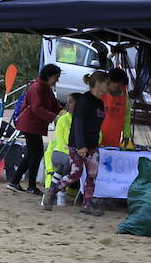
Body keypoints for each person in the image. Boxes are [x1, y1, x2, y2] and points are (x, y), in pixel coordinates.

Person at [43, 71, 108, 215]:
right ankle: (52, 191)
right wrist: (80, 145)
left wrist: (93, 144)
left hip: (92, 145)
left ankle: (87, 204)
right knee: (75, 173)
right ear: (98, 83)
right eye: (106, 83)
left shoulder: (100, 102)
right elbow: (78, 123)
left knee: (92, 174)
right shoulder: (84, 101)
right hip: (78, 144)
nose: (108, 86)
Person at [6, 63, 62, 196]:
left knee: (33, 154)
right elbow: (37, 108)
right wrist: (54, 117)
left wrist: (63, 109)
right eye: (56, 77)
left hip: (35, 125)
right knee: (36, 154)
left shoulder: (45, 87)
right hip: (30, 124)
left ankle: (15, 181)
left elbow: (54, 104)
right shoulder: (36, 87)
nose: (56, 81)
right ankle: (30, 185)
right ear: (49, 76)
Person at [100, 67, 133, 148]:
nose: (117, 85)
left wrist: (126, 135)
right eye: (114, 82)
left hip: (114, 140)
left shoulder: (125, 100)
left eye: (120, 83)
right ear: (108, 82)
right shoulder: (100, 96)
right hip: (97, 139)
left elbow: (127, 119)